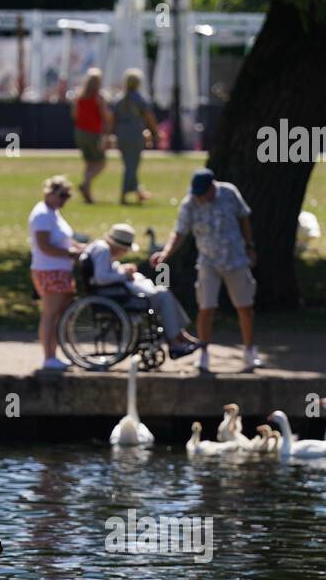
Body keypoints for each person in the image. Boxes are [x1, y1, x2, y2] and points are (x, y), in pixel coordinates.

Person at [150, 168, 261, 373]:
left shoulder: (229, 193)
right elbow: (180, 232)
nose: (200, 198)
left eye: (203, 193)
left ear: (213, 187)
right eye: (197, 194)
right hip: (208, 262)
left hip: (235, 258)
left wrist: (249, 246)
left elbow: (244, 217)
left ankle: (249, 350)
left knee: (244, 307)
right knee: (206, 308)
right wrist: (165, 253)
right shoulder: (190, 202)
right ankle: (204, 352)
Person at [84, 223, 201, 358]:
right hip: (116, 295)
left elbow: (105, 272)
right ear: (120, 247)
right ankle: (176, 340)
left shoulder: (101, 248)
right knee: (164, 295)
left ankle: (178, 336)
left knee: (163, 293)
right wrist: (125, 275)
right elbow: (101, 278)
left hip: (115, 292)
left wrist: (122, 269)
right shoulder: (103, 250)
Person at [29, 174, 86, 371]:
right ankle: (48, 358)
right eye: (62, 195)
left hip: (59, 270)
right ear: (51, 193)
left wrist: (79, 247)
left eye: (67, 196)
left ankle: (55, 355)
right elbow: (44, 245)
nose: (65, 200)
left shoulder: (53, 212)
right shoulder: (42, 214)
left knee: (59, 316)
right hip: (49, 270)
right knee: (50, 315)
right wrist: (70, 253)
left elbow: (63, 239)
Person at [112, 69, 159, 205]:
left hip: (122, 134)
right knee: (132, 166)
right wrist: (155, 132)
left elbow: (113, 119)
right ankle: (123, 195)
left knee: (129, 164)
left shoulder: (119, 99)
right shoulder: (140, 99)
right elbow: (149, 117)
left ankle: (139, 193)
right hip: (135, 134)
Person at [73, 68, 112, 204]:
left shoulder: (79, 96)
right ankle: (85, 183)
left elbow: (74, 115)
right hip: (93, 133)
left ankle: (88, 195)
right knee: (100, 163)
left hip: (80, 132)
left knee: (89, 163)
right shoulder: (99, 98)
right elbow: (105, 116)